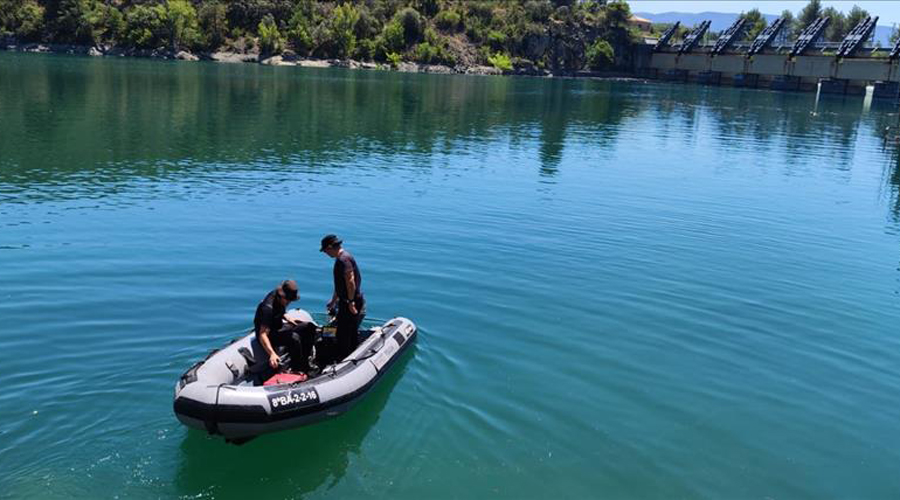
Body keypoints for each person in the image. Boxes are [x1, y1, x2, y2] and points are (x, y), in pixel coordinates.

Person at [254, 280, 316, 372]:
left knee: (309, 327)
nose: (289, 303)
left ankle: (305, 361)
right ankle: (297, 369)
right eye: (288, 300)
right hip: (269, 335)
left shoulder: (280, 298)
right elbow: (262, 334)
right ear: (281, 296)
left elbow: (278, 311)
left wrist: (287, 317)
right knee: (294, 338)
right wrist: (272, 354)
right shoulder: (267, 308)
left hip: (279, 326)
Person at [321, 234, 366, 361]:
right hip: (346, 301)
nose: (325, 253)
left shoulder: (343, 260)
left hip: (350, 302)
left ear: (330, 247)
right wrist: (334, 300)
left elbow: (350, 281)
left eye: (325, 250)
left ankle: (345, 358)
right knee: (347, 329)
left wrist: (350, 302)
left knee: (344, 333)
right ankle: (350, 352)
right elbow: (341, 284)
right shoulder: (342, 258)